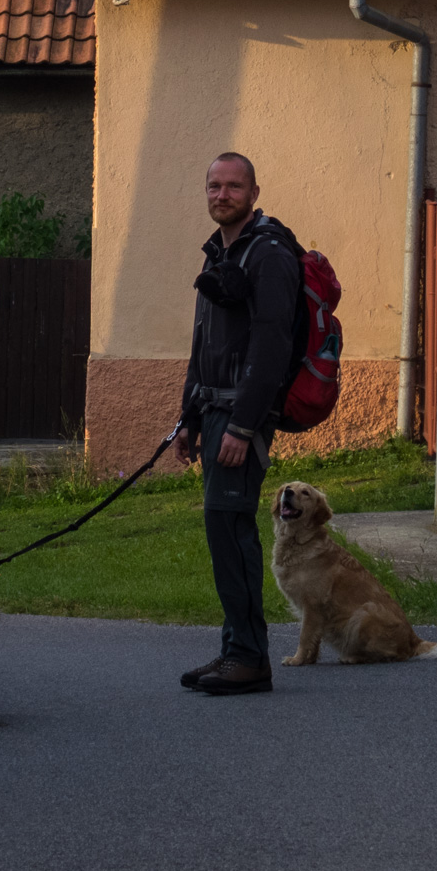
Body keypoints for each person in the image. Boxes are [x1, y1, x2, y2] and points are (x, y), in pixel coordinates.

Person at [176, 151, 303, 696]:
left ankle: (251, 658)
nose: (221, 195)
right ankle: (234, 649)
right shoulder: (218, 253)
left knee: (230, 529)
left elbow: (273, 345)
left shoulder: (269, 255)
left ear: (253, 192)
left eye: (233, 187)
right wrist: (187, 418)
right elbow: (203, 344)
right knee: (221, 531)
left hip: (239, 417)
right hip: (213, 410)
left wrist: (243, 427)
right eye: (213, 186)